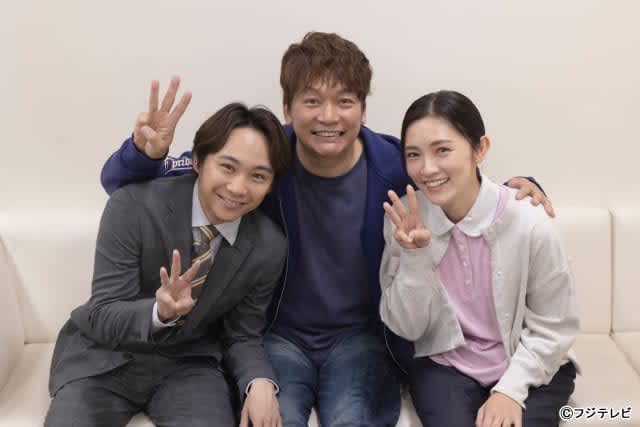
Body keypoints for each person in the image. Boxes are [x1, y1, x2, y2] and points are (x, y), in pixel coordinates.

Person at [100, 32, 553, 426]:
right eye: (312, 100)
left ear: (363, 109)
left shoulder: (395, 166)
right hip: (275, 335)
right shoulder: (263, 159)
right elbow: (125, 186)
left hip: (363, 339)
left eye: (345, 102)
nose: (329, 116)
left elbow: (455, 181)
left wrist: (523, 185)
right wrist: (145, 154)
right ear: (288, 108)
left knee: (353, 417)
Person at [46, 102, 291, 427]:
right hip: (104, 356)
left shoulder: (269, 245)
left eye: (258, 176)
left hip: (188, 364)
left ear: (271, 184)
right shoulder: (132, 205)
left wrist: (258, 381)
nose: (237, 188)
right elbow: (102, 312)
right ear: (198, 160)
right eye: (227, 167)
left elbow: (243, 334)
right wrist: (158, 313)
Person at [380, 90, 578, 427]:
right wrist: (414, 257)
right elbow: (407, 328)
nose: (427, 168)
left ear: (480, 149)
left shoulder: (530, 222)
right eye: (413, 155)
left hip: (530, 362)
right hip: (445, 365)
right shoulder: (404, 220)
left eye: (442, 150)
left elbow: (554, 326)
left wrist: (510, 391)